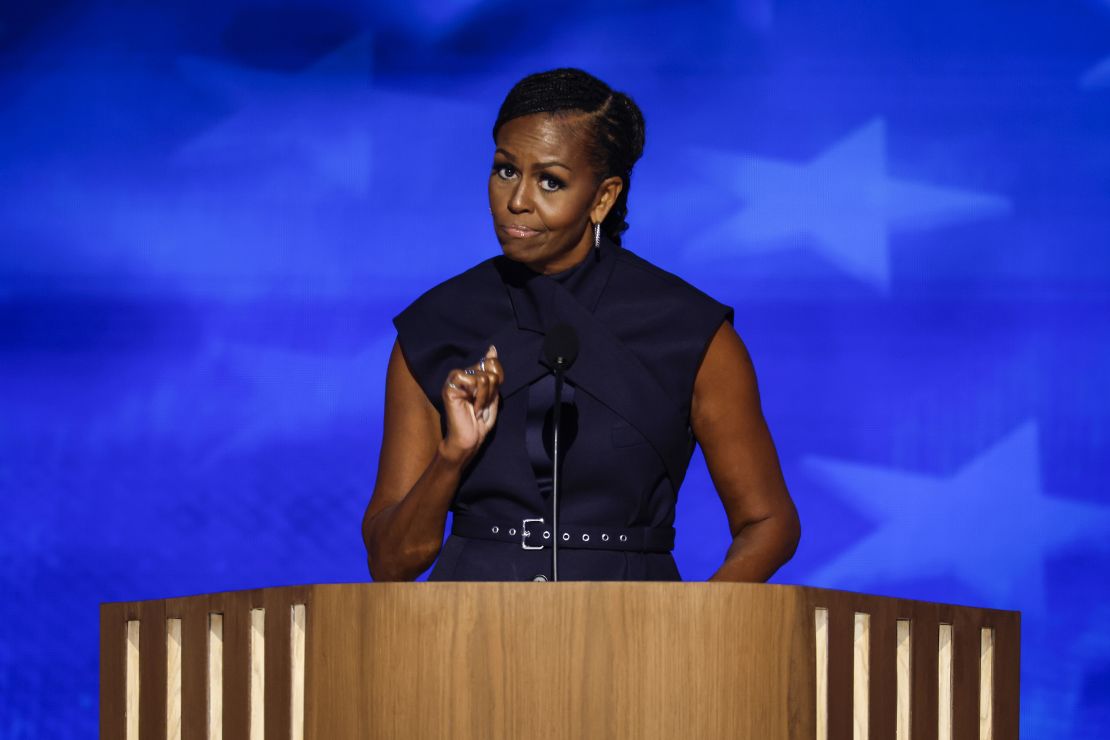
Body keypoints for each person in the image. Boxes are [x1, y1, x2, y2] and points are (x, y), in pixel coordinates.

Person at [362, 68, 799, 582]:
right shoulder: (437, 326)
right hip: (467, 636)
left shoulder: (690, 332)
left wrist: (693, 632)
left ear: (602, 198)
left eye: (551, 181)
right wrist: (452, 456)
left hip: (638, 636)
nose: (518, 200)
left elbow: (769, 522)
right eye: (506, 170)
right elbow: (391, 563)